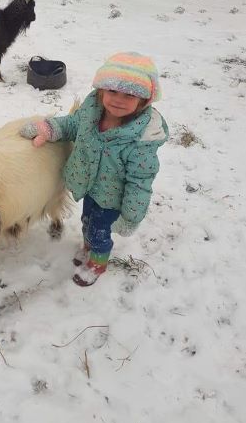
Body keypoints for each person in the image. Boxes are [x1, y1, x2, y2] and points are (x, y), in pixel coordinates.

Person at [20, 52, 168, 286]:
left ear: (144, 101)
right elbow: (72, 125)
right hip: (90, 186)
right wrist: (50, 129)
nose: (118, 99)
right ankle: (88, 245)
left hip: (113, 199)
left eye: (129, 94)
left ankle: (97, 262)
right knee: (87, 219)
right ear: (101, 90)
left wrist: (130, 217)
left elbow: (140, 183)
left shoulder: (141, 142)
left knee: (100, 230)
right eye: (112, 91)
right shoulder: (92, 113)